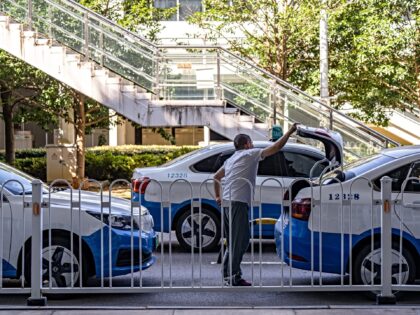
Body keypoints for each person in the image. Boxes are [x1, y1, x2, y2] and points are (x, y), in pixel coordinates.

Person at [213, 123, 299, 286]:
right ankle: (232, 277)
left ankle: (228, 274)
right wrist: (290, 131)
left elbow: (216, 177)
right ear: (247, 144)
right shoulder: (250, 154)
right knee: (241, 241)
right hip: (238, 203)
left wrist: (218, 196)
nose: (252, 145)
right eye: (251, 143)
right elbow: (276, 147)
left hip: (227, 203)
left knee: (233, 241)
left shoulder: (232, 159)